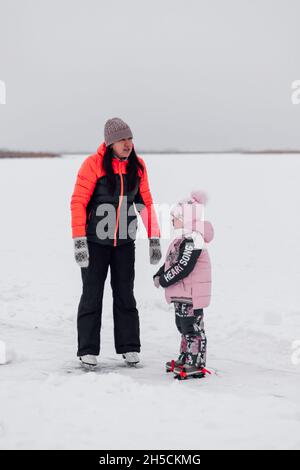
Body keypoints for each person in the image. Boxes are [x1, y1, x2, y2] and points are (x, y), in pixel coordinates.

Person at [70, 117, 162, 369]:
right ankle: (87, 350)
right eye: (122, 139)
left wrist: (154, 237)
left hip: (124, 243)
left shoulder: (138, 166)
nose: (128, 144)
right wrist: (79, 241)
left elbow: (145, 203)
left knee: (125, 295)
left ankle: (129, 346)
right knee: (91, 295)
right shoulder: (93, 165)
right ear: (110, 142)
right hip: (94, 243)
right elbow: (78, 202)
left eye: (130, 138)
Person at [153, 190, 214, 379]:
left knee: (192, 328)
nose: (172, 220)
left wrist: (164, 280)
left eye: (175, 217)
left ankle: (195, 361)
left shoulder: (193, 240)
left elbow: (184, 266)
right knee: (182, 326)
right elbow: (171, 261)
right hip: (181, 293)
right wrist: (160, 273)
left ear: (186, 219)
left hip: (192, 295)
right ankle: (186, 356)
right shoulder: (180, 239)